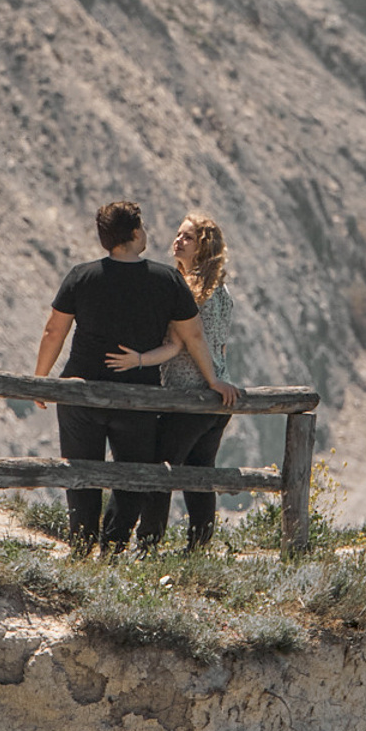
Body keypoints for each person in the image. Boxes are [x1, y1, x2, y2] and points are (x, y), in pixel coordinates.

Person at [34, 199, 237, 550]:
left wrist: (40, 379)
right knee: (134, 476)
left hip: (80, 392)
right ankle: (114, 549)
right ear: (133, 233)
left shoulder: (81, 276)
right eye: (142, 227)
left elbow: (54, 331)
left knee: (81, 473)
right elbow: (193, 336)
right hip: (137, 397)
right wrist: (214, 378)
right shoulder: (167, 279)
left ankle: (81, 548)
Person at [109, 214, 236, 549]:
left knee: (160, 470)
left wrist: (138, 359)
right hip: (216, 399)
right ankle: (199, 545)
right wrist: (219, 380)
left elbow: (183, 344)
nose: (178, 241)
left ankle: (148, 544)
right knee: (200, 473)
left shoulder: (189, 293)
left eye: (188, 237)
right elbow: (220, 345)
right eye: (179, 234)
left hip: (190, 396)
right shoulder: (222, 292)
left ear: (203, 246)